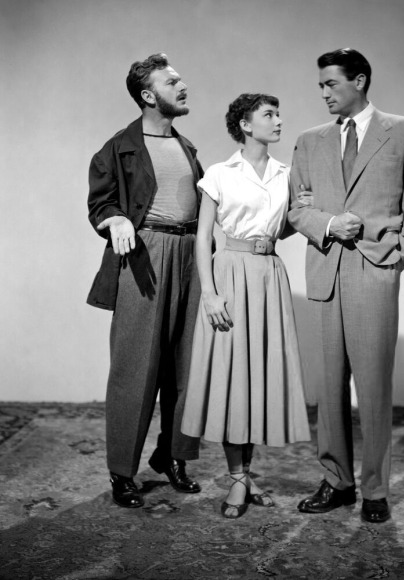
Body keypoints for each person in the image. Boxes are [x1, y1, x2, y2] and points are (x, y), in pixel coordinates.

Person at [288, 48, 404, 523]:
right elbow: (296, 208)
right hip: (327, 271)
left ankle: (374, 490)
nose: (324, 93)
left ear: (361, 80)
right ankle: (337, 482)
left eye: (331, 84)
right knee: (329, 388)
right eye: (321, 86)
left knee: (372, 388)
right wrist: (330, 224)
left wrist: (393, 258)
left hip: (375, 273)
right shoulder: (310, 141)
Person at [181, 93, 311, 519]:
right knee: (231, 377)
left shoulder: (285, 174)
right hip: (229, 278)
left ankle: (246, 473)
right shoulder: (219, 174)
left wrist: (270, 239)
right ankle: (237, 477)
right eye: (269, 115)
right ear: (245, 124)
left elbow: (289, 224)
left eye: (279, 113)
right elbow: (203, 238)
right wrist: (211, 292)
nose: (278, 121)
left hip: (269, 277)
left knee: (256, 378)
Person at [87, 53, 203, 508]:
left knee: (189, 367)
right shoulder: (118, 147)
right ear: (148, 95)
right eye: (173, 81)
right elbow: (101, 203)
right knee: (135, 368)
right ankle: (122, 472)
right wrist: (114, 219)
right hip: (143, 255)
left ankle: (173, 456)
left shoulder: (188, 147)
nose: (183, 85)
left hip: (192, 255)